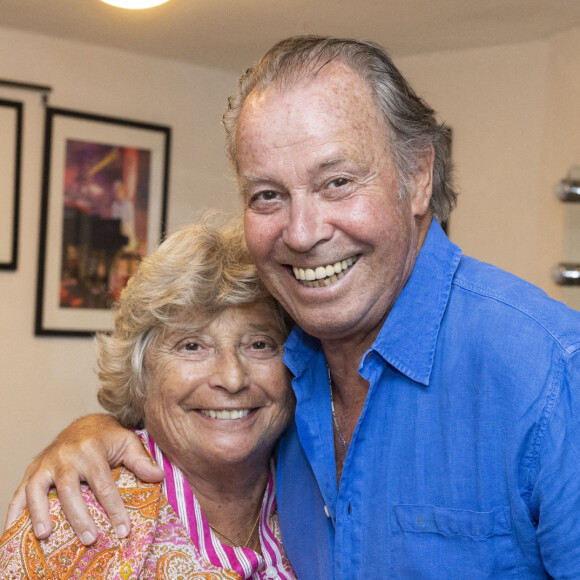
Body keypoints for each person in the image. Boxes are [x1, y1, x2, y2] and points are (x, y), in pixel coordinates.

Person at [6, 35, 580, 578]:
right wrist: (90, 430)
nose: (302, 234)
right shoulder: (292, 378)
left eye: (336, 182)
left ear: (420, 175)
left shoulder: (551, 374)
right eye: (268, 195)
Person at [1, 218, 296, 579]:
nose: (232, 378)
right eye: (192, 346)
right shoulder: (75, 521)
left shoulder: (323, 486)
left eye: (259, 344)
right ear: (140, 373)